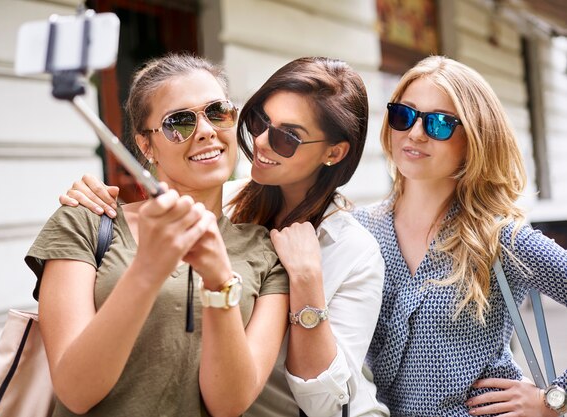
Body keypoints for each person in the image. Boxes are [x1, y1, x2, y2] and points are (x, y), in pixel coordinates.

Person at [60, 57, 389, 416]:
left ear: (333, 152)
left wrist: (306, 280)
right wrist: (93, 202)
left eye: (286, 137)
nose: (261, 141)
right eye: (259, 120)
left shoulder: (351, 250)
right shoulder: (223, 198)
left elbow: (326, 402)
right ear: (146, 143)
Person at [25, 53, 290, 417]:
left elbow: (229, 404)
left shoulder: (264, 250)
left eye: (218, 112)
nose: (206, 130)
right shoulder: (86, 221)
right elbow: (75, 391)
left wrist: (219, 284)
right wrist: (147, 269)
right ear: (146, 146)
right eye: (178, 122)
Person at [353, 55, 567, 416]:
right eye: (404, 115)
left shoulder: (499, 238)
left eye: (439, 123)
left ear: (474, 138)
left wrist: (555, 399)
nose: (415, 133)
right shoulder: (358, 231)